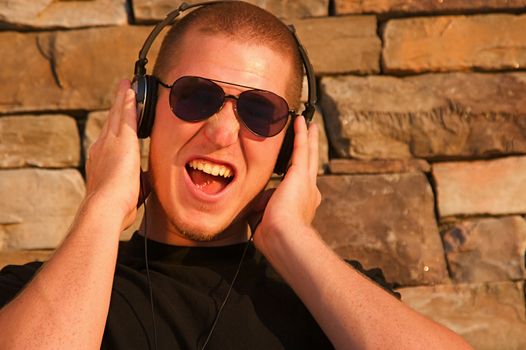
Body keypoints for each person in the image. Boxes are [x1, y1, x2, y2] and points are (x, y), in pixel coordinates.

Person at [0, 2, 473, 349]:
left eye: (259, 112)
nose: (222, 132)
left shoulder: (336, 304)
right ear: (143, 110)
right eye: (195, 97)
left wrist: (289, 236)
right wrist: (102, 206)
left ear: (289, 145)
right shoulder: (33, 293)